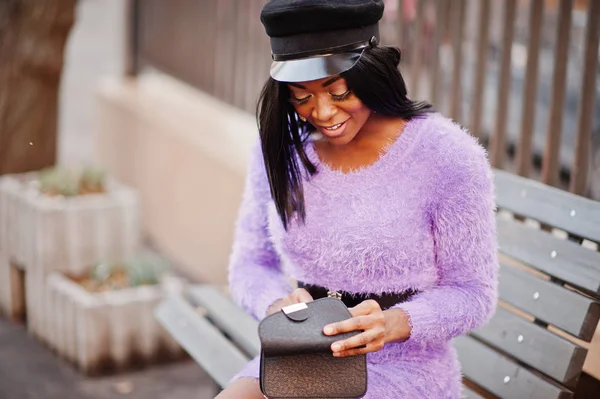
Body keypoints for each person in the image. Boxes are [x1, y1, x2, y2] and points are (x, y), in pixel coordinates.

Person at [216, 1, 498, 398]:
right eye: (301, 97)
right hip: (302, 355)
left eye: (339, 91)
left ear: (371, 73)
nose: (323, 112)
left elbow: (472, 293)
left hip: (404, 365)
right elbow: (250, 264)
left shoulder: (447, 156)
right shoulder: (281, 151)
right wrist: (274, 304)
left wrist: (394, 322)